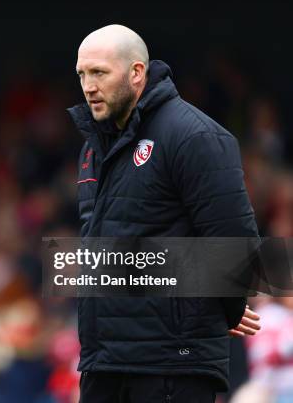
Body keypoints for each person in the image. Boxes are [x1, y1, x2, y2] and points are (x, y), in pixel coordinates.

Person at [68, 25, 261, 402]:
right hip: (104, 362)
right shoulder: (93, 149)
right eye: (82, 74)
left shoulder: (195, 137)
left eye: (100, 73)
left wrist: (222, 309)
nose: (88, 86)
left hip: (171, 365)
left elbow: (235, 247)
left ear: (136, 72)